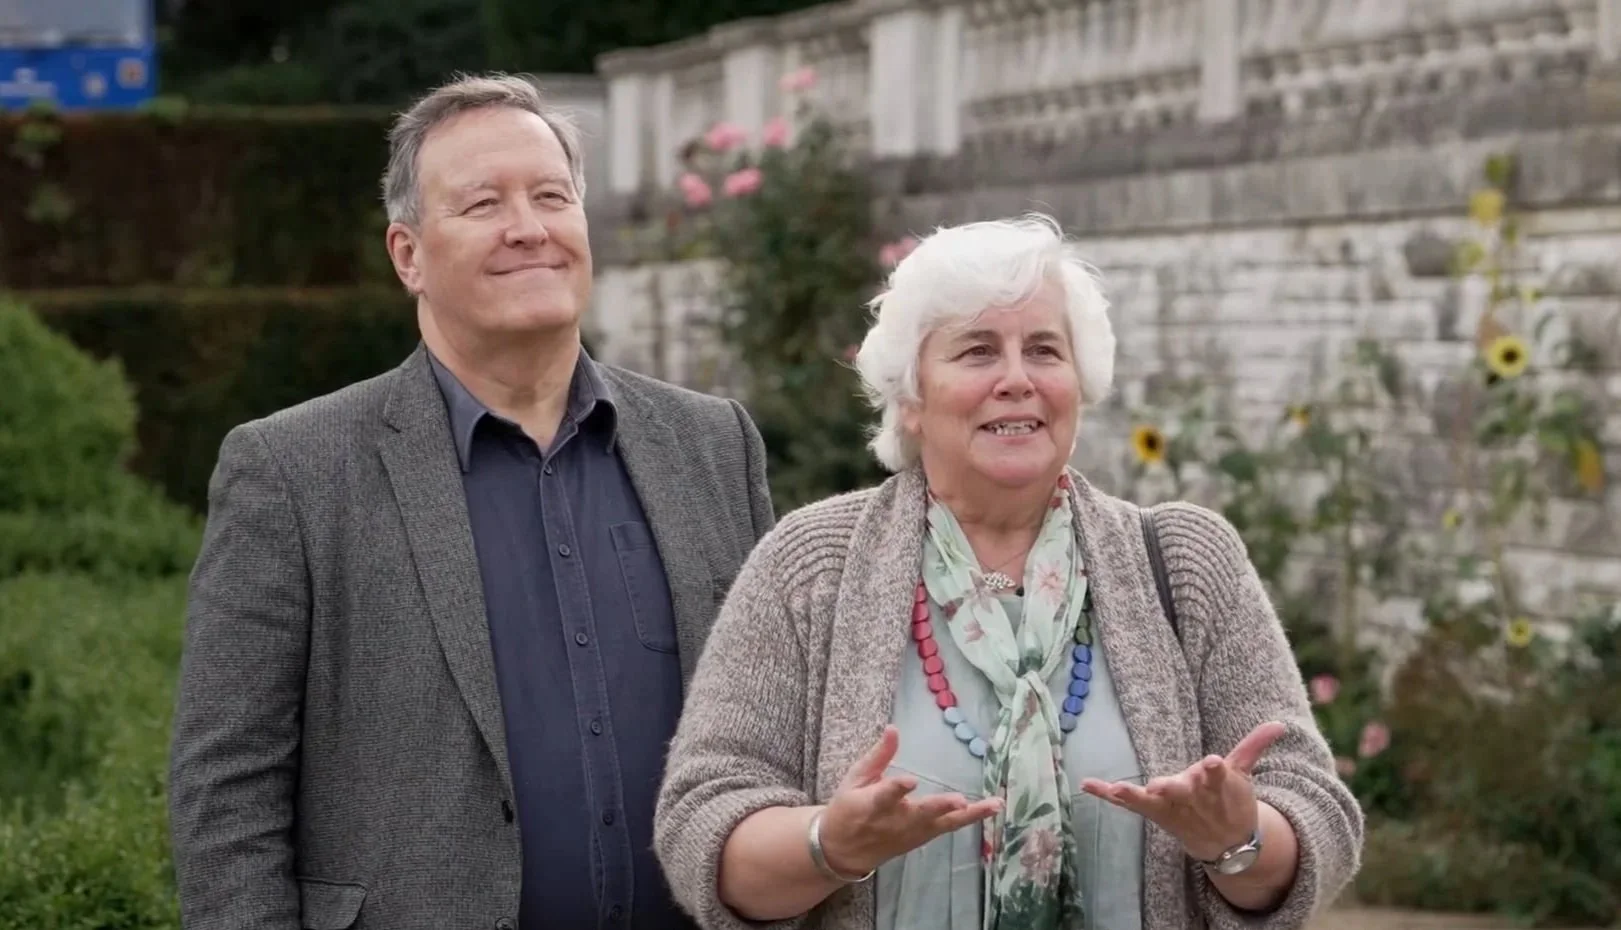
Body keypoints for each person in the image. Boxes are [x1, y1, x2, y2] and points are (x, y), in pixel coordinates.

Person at [167, 73, 774, 930]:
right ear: (408, 254)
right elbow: (225, 791)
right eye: (483, 204)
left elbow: (774, 726)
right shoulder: (293, 470)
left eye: (551, 197)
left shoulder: (713, 445)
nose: (528, 229)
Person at [653, 214, 1363, 930]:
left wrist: (1234, 840)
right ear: (910, 398)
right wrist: (827, 846)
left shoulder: (1185, 561)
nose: (1017, 380)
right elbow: (702, 824)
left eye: (1045, 351)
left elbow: (1314, 813)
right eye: (977, 351)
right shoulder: (811, 566)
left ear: (1078, 382)